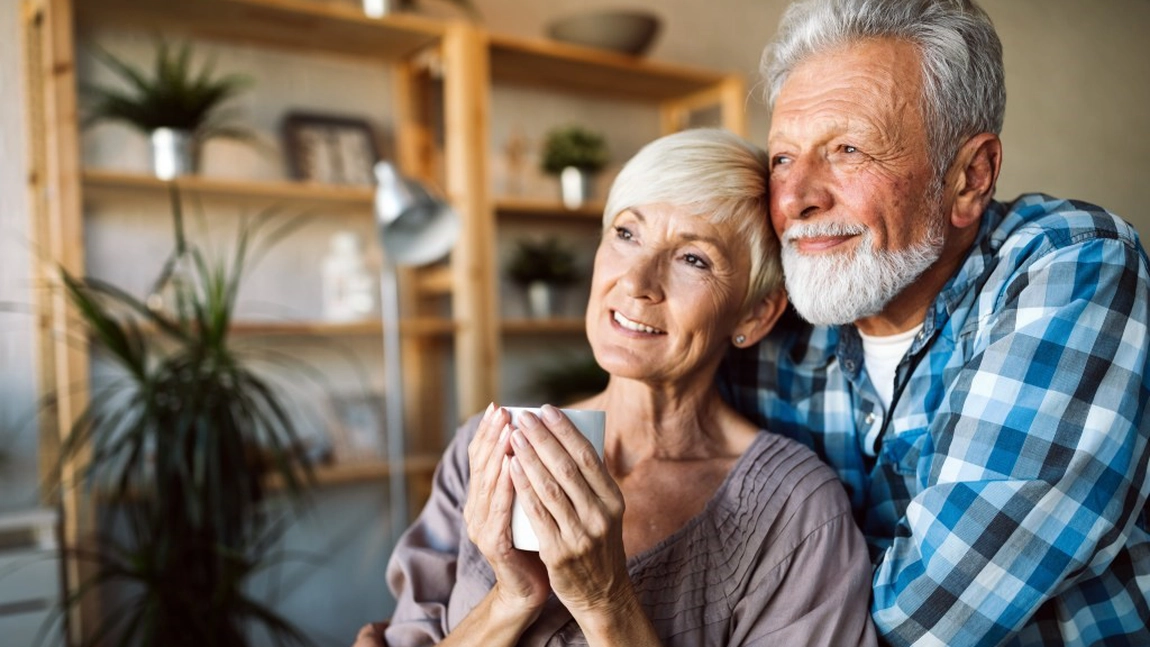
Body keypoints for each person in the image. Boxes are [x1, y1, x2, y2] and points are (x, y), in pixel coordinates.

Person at [719, 0, 1150, 645]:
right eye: (782, 158)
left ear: (969, 177)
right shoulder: (772, 310)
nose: (795, 198)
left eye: (847, 149)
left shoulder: (1073, 265)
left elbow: (929, 620)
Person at [353, 128, 878, 646]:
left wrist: (605, 600)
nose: (636, 282)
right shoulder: (485, 447)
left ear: (756, 313)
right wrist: (511, 599)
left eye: (693, 259)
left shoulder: (797, 509)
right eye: (627, 234)